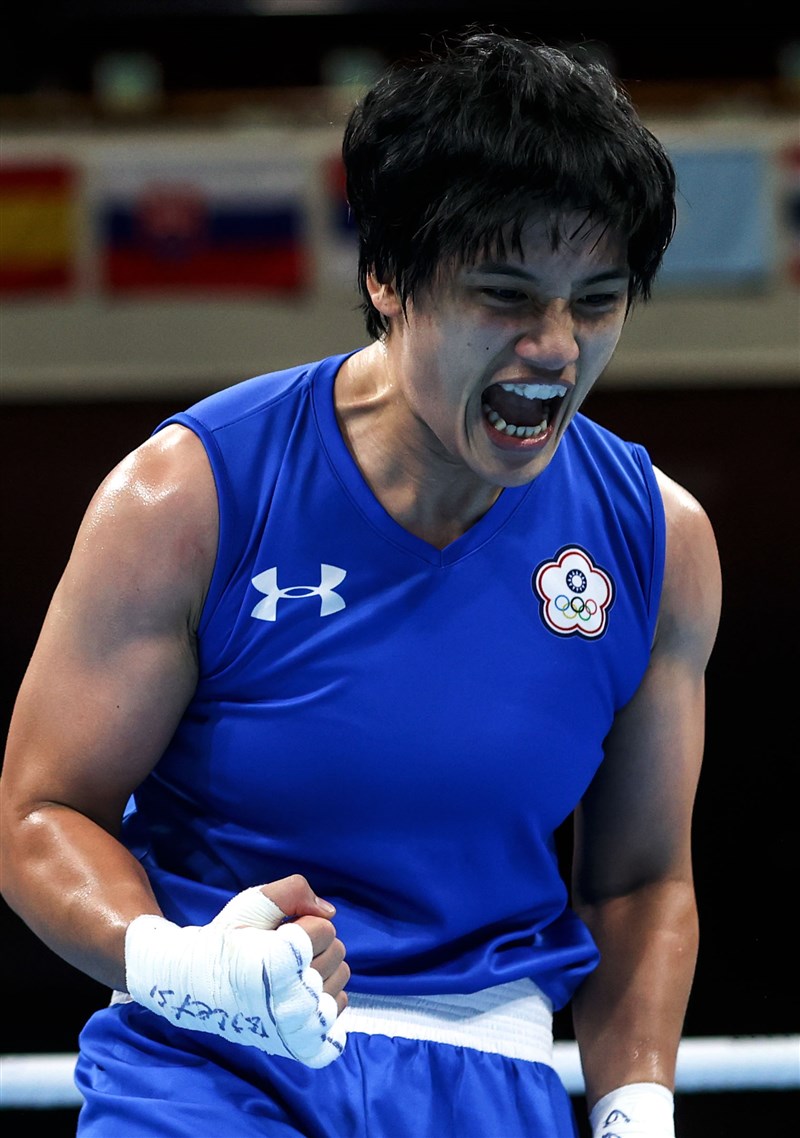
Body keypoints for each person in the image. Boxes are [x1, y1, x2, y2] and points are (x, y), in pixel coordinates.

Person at [0, 28, 721, 1138]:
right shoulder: (190, 498)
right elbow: (40, 812)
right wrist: (177, 964)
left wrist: (634, 1111)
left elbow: (638, 883)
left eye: (595, 300)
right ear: (385, 277)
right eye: (505, 294)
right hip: (209, 1068)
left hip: (490, 1083)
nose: (554, 348)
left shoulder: (655, 542)